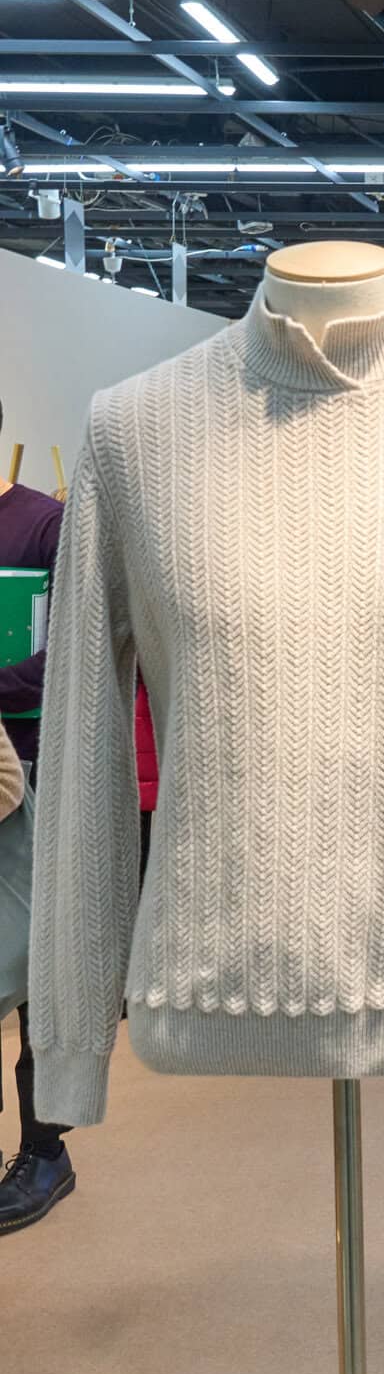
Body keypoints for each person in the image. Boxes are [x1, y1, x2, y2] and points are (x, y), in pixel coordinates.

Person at [0, 408, 73, 1233]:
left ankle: (45, 1151)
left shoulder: (43, 525)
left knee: (34, 964)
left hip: (31, 769)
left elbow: (73, 654)